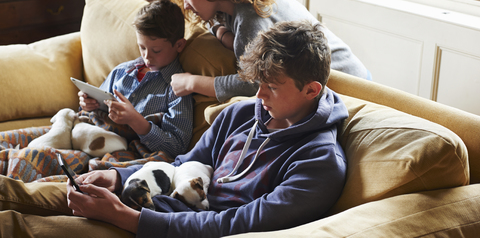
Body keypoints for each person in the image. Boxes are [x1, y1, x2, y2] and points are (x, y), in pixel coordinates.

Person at [0, 20, 348, 237]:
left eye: (271, 87)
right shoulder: (241, 115)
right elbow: (182, 163)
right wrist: (119, 178)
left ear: (311, 90)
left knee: (14, 224)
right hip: (148, 202)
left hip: (163, 227)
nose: (258, 95)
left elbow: (236, 225)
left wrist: (128, 219)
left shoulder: (318, 163)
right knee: (22, 192)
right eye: (258, 83)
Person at [158, 0, 370, 103]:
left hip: (348, 84)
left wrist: (191, 82)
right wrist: (223, 34)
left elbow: (255, 84)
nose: (185, 4)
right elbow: (210, 21)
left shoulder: (251, 17)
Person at [78, 0, 193, 158]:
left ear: (179, 45)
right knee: (35, 136)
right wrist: (87, 103)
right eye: (142, 47)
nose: (147, 57)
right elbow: (88, 111)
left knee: (47, 156)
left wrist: (136, 122)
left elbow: (177, 147)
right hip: (86, 133)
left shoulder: (177, 89)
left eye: (156, 50)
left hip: (120, 153)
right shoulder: (122, 71)